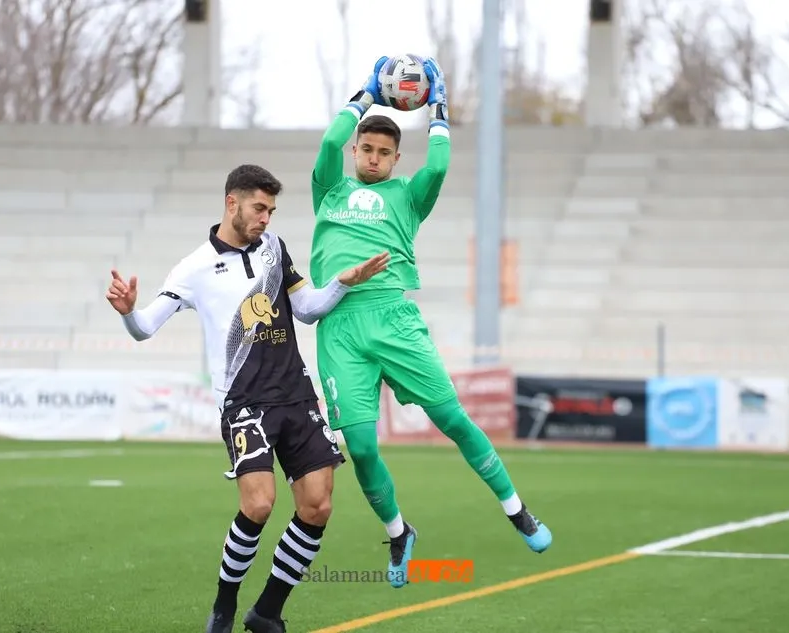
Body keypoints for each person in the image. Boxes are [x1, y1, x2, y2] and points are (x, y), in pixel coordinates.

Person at [105, 164, 390, 633]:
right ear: (231, 203)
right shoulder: (193, 268)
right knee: (259, 504)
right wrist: (128, 312)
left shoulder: (275, 249)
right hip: (244, 404)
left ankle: (268, 611)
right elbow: (144, 329)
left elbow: (307, 309)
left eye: (272, 210)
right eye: (259, 208)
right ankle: (224, 604)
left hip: (296, 397)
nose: (266, 219)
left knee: (317, 505)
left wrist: (344, 281)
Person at [307, 57, 553, 587]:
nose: (373, 159)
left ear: (397, 158)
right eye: (366, 150)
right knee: (363, 447)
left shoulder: (408, 197)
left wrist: (439, 107)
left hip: (394, 319)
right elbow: (328, 144)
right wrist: (366, 96)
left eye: (384, 153)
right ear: (357, 152)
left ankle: (517, 510)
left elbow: (438, 166)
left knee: (453, 420)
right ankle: (399, 533)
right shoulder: (330, 190)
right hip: (339, 328)